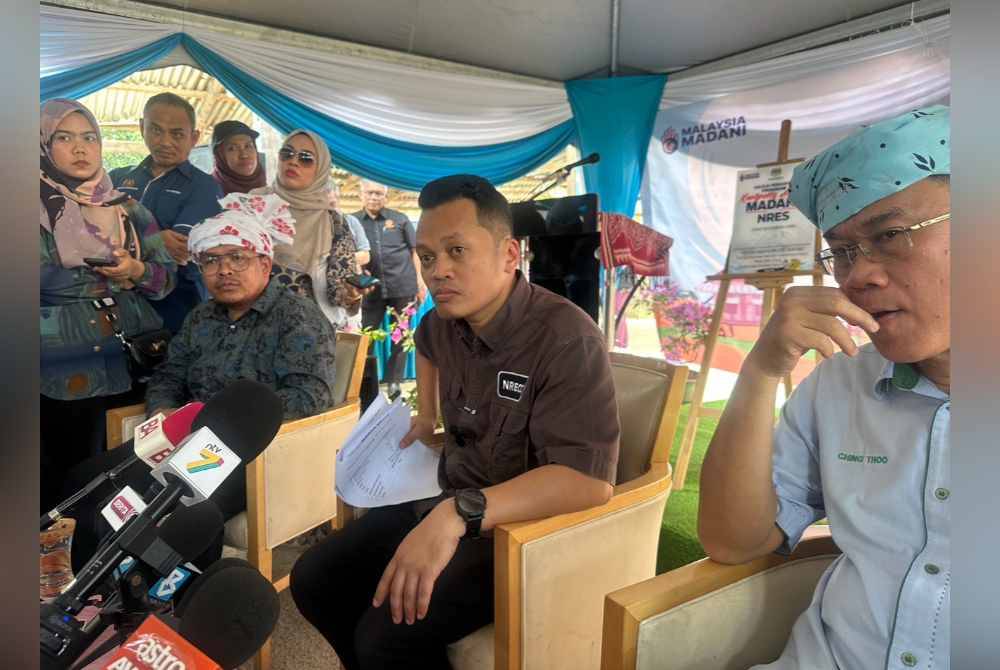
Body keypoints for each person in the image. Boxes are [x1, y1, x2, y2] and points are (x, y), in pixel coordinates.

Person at [290, 174, 620, 670]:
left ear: (510, 254)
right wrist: (426, 415)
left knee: (384, 633)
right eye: (426, 257)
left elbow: (589, 482)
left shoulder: (565, 339)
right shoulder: (444, 321)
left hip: (523, 534)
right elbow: (425, 343)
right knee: (314, 579)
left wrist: (458, 515)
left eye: (457, 251)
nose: (437, 271)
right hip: (450, 497)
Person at [698, 105, 951, 669]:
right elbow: (733, 540)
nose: (857, 274)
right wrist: (761, 370)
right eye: (841, 252)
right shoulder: (841, 381)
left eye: (890, 234)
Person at [62, 192, 339, 571]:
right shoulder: (202, 317)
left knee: (165, 509)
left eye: (237, 257)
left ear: (265, 263)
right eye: (211, 260)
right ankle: (92, 593)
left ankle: (170, 600)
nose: (224, 270)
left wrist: (216, 424)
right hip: (181, 434)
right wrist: (162, 410)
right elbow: (169, 374)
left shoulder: (296, 317)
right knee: (85, 481)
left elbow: (309, 396)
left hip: (251, 453)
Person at [39, 98, 177, 512]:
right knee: (58, 485)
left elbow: (166, 281)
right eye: (64, 138)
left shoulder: (130, 210)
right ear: (43, 145)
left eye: (89, 138)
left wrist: (136, 269)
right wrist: (104, 278)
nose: (80, 149)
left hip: (128, 367)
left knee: (119, 481)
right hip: (55, 376)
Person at [110, 93, 223, 334]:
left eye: (177, 134)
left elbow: (178, 250)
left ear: (194, 138)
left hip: (174, 302)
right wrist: (156, 240)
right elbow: (86, 232)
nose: (165, 141)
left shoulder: (204, 186)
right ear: (142, 127)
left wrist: (115, 239)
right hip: (116, 298)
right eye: (156, 130)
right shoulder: (116, 178)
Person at [251, 130, 363, 329]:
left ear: (320, 169)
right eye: (287, 153)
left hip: (310, 335)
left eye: (306, 158)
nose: (293, 162)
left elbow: (338, 288)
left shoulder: (332, 221)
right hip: (255, 326)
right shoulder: (252, 205)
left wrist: (351, 293)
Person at [354, 180, 426, 395]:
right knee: (367, 336)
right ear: (361, 195)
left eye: (378, 193)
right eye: (370, 193)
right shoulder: (354, 222)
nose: (374, 197)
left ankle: (394, 382)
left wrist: (420, 283)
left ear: (385, 196)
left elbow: (415, 252)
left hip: (403, 286)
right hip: (371, 289)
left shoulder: (400, 219)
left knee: (402, 335)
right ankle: (366, 384)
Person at [210, 119, 267, 195]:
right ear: (220, 156)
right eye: (232, 149)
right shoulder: (207, 191)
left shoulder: (270, 189)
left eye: (248, 146)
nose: (244, 155)